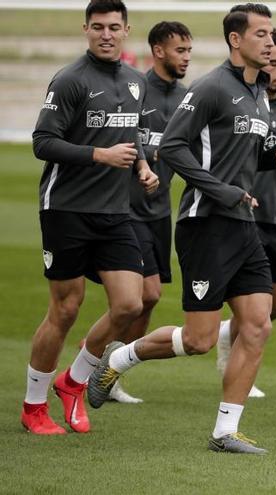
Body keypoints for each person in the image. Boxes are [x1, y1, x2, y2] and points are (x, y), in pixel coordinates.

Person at [88, 3, 276, 455]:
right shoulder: (213, 87)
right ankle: (119, 358)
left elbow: (231, 153)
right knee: (198, 339)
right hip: (206, 223)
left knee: (257, 325)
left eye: (271, 34)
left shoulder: (258, 93)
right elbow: (173, 147)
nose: (269, 42)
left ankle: (225, 431)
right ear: (236, 40)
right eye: (261, 34)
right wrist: (221, 190)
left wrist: (265, 159)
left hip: (243, 224)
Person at [22, 0, 158, 435]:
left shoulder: (137, 82)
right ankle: (33, 407)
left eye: (114, 27)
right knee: (65, 310)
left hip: (115, 212)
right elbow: (42, 141)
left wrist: (141, 164)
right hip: (66, 209)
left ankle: (74, 381)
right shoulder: (69, 80)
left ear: (126, 30)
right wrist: (99, 155)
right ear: (86, 29)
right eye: (97, 27)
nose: (106, 34)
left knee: (130, 304)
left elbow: (130, 133)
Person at [216, 28, 276, 399]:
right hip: (244, 215)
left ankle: (229, 333)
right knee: (252, 302)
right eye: (275, 62)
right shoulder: (245, 101)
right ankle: (237, 365)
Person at [107, 20, 193, 404]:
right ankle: (102, 361)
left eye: (189, 51)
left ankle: (108, 365)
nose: (186, 58)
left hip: (160, 211)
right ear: (159, 51)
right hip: (128, 208)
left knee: (152, 298)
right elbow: (122, 137)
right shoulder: (136, 90)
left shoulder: (187, 98)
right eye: (180, 50)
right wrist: (142, 164)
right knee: (146, 292)